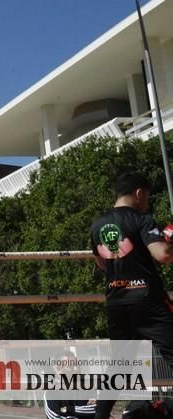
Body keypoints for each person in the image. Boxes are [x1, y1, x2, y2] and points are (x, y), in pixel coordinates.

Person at [90, 171, 173, 419]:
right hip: (147, 300)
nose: (147, 201)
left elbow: (101, 264)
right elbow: (164, 255)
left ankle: (100, 417)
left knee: (119, 365)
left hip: (117, 301)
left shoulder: (97, 225)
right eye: (146, 196)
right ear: (139, 193)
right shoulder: (141, 219)